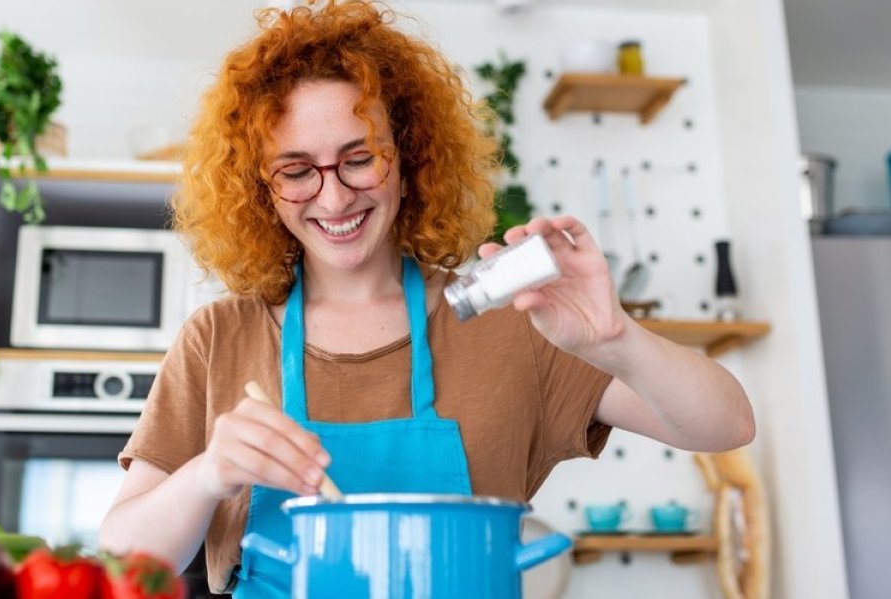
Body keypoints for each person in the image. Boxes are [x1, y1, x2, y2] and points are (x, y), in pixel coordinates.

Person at [99, 1, 755, 596]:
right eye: (296, 170)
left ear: (408, 156)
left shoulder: (510, 321)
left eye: (359, 158)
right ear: (261, 187)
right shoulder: (220, 336)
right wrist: (211, 470)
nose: (333, 198)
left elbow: (725, 424)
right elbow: (126, 556)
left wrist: (616, 339)